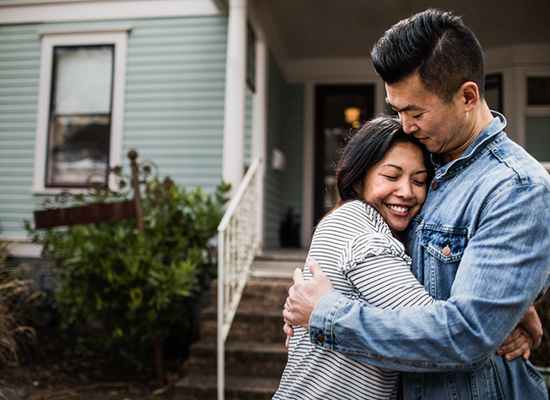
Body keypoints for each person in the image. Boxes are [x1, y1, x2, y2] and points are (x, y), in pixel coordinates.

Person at [283, 8, 550, 400]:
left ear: (468, 97)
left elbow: (467, 336)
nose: (406, 126)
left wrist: (327, 315)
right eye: (398, 111)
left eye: (416, 112)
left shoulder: (515, 187)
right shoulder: (428, 163)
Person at [274, 115, 438, 399]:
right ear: (359, 178)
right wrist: (497, 318)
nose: (407, 192)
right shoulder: (355, 220)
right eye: (391, 176)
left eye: (419, 180)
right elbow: (432, 332)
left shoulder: (385, 230)